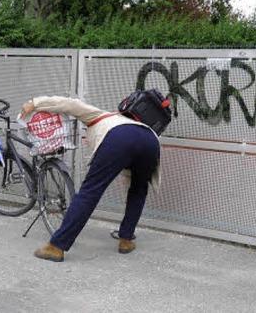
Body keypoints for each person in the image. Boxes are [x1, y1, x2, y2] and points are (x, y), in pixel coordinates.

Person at [20, 96, 161, 262]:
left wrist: (35, 103)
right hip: (152, 141)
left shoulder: (101, 116)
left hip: (119, 139)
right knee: (138, 190)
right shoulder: (141, 126)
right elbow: (129, 174)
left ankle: (56, 247)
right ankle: (126, 240)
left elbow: (70, 104)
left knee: (90, 192)